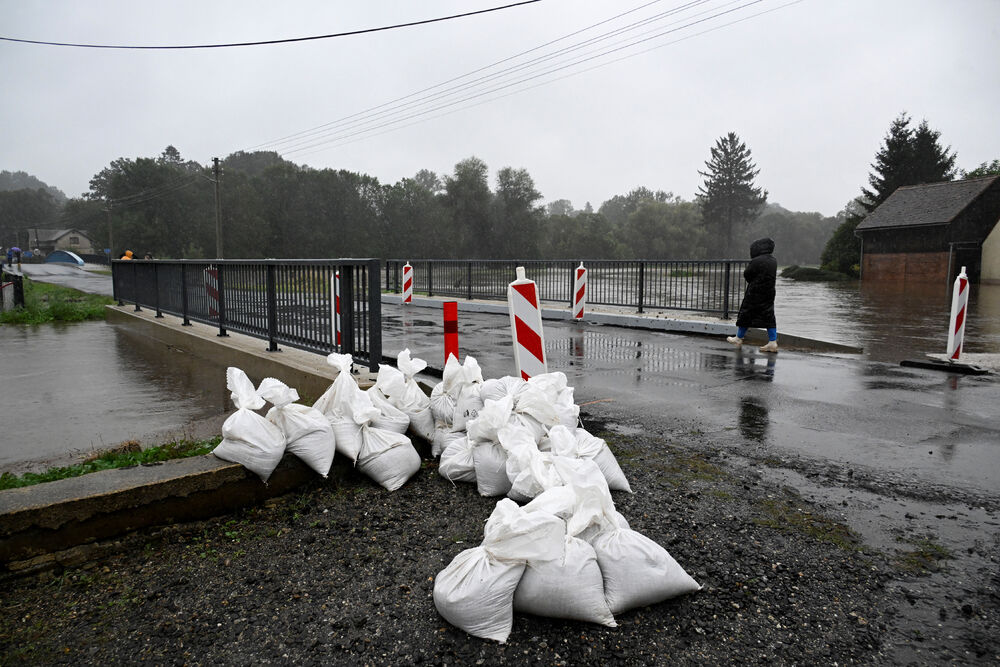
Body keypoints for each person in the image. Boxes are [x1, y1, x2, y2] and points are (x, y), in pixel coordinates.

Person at [727, 237, 778, 353]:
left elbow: (747, 274)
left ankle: (738, 338)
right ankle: (772, 342)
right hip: (769, 293)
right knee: (769, 316)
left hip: (755, 293)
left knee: (746, 314)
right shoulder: (773, 260)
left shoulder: (756, 261)